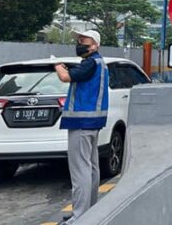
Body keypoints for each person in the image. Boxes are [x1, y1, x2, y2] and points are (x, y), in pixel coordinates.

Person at [54, 30, 109, 224]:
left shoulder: (91, 63)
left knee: (80, 171)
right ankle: (89, 211)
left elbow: (65, 77)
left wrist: (57, 65)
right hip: (92, 123)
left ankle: (80, 217)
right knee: (91, 168)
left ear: (95, 45)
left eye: (83, 40)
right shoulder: (99, 64)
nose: (79, 43)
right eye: (78, 40)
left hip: (81, 123)